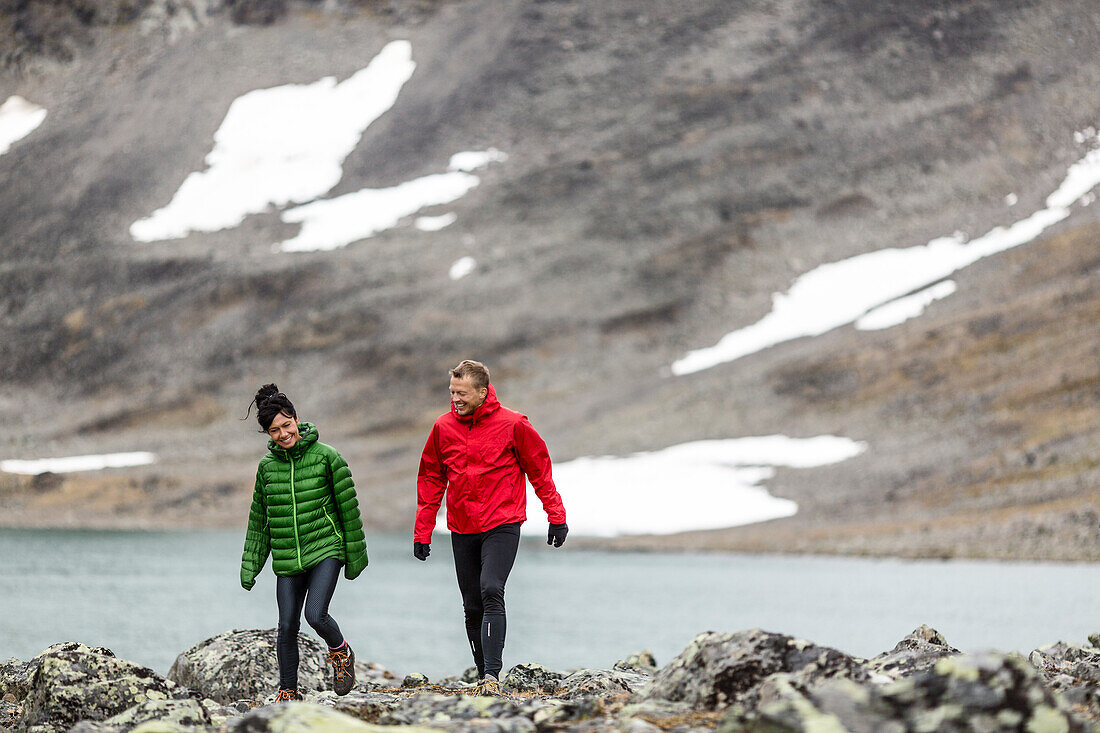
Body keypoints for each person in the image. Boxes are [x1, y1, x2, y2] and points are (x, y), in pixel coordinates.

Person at [414, 360, 568, 693]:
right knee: (471, 603)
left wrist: (556, 516)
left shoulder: (514, 425)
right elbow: (430, 477)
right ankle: (483, 674)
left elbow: (540, 471)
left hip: (502, 522)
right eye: (452, 391)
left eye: (462, 393)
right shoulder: (442, 427)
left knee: (491, 589)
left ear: (483, 392)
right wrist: (422, 531)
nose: (455, 398)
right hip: (462, 526)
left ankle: (492, 675)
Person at [240, 384, 368, 701]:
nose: (283, 434)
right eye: (274, 430)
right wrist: (250, 565)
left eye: (286, 425)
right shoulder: (267, 469)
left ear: (296, 419)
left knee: (316, 615)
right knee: (286, 627)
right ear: (267, 434)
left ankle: (342, 654)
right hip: (287, 558)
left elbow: (348, 511)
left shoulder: (327, 458)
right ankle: (288, 691)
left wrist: (355, 557)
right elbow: (260, 520)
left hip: (326, 548)